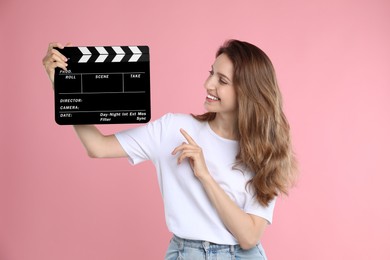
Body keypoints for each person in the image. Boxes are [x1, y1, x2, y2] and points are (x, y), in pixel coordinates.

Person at [42, 39, 297, 260]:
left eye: (222, 80)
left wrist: (205, 176)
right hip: (186, 253)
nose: (208, 84)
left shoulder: (265, 151)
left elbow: (249, 237)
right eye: (211, 73)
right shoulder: (173, 129)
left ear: (247, 92)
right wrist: (64, 90)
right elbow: (97, 147)